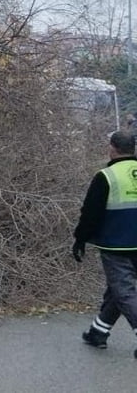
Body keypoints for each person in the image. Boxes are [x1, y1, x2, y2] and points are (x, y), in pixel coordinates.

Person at [73, 130, 137, 357]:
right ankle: (98, 332)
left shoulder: (106, 176)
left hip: (117, 244)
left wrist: (80, 239)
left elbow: (90, 213)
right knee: (116, 292)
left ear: (112, 148)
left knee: (124, 292)